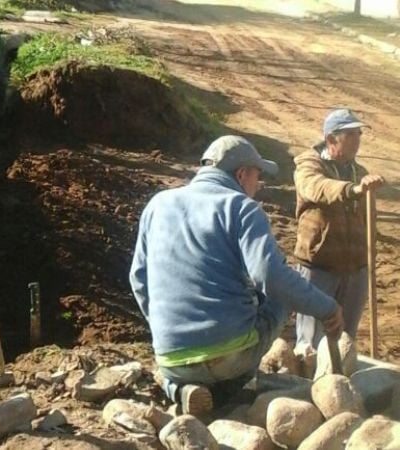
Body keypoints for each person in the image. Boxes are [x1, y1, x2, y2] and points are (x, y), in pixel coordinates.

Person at [130, 135, 344, 415]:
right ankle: (239, 385)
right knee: (281, 294)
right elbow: (271, 277)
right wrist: (327, 309)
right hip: (229, 355)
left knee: (178, 369)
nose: (258, 185)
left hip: (171, 356)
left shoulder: (157, 204)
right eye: (257, 176)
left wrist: (166, 328)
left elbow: (138, 279)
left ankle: (178, 388)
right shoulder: (241, 207)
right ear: (242, 174)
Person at [294, 109, 384, 354]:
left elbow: (368, 218)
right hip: (319, 266)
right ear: (331, 139)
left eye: (358, 134)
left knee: (345, 342)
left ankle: (339, 375)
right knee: (311, 345)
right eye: (351, 134)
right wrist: (353, 190)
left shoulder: (359, 172)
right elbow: (316, 188)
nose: (357, 140)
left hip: (355, 268)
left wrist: (368, 255)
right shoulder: (308, 164)